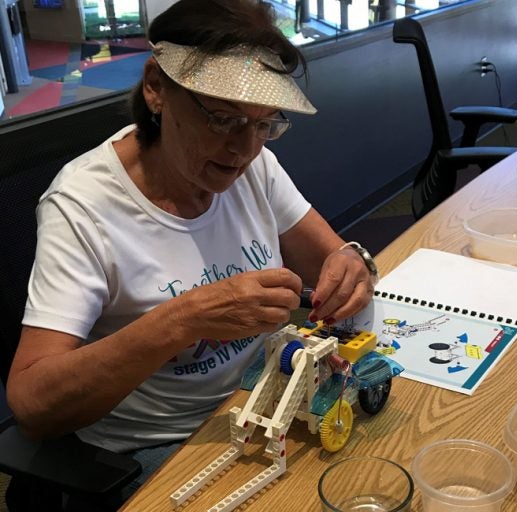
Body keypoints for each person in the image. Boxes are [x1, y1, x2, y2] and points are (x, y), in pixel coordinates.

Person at [6, 0, 376, 502]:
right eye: (223, 119)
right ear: (156, 87)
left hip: (258, 397)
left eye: (265, 123)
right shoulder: (83, 207)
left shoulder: (254, 164)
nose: (245, 149)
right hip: (156, 447)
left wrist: (352, 261)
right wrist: (184, 318)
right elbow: (32, 403)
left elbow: (333, 259)